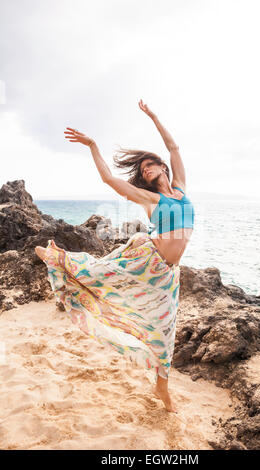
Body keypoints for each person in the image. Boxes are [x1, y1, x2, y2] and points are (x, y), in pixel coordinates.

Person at [35, 99, 195, 413]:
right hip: (147, 260)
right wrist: (93, 145)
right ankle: (59, 258)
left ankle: (162, 386)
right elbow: (110, 180)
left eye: (151, 165)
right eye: (144, 170)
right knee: (101, 272)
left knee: (165, 331)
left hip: (168, 274)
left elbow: (174, 147)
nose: (147, 170)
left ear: (162, 166)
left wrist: (153, 116)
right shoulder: (151, 198)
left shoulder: (181, 188)